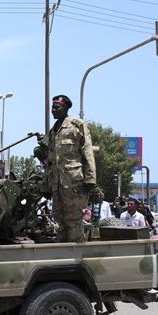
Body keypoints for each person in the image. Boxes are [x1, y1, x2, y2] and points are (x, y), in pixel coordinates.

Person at [40, 94, 96, 243]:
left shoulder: (77, 125)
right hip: (57, 184)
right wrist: (46, 185)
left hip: (73, 183)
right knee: (59, 221)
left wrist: (90, 178)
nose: (53, 110)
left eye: (57, 107)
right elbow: (50, 162)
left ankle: (77, 255)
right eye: (52, 107)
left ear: (65, 108)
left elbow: (87, 151)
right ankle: (63, 255)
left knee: (73, 220)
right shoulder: (53, 132)